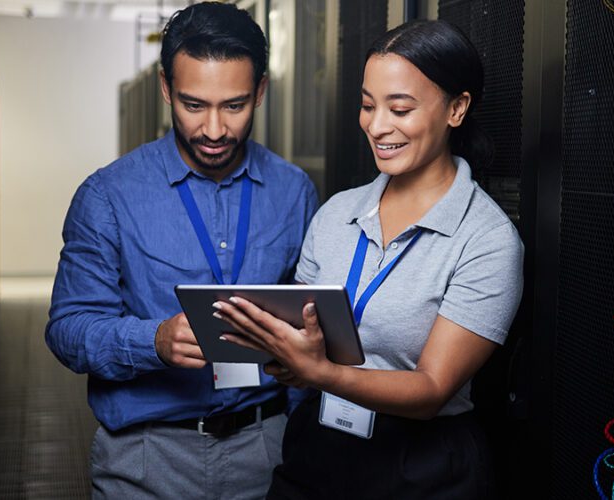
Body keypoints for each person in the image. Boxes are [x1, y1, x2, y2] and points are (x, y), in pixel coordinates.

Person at [213, 19, 524, 499]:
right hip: (319, 446)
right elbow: (302, 326)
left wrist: (322, 372)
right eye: (367, 105)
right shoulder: (338, 211)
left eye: (400, 108)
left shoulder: (486, 240)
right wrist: (271, 346)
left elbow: (431, 390)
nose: (377, 126)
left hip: (423, 466)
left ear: (457, 108)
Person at [45, 2, 318, 499]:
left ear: (260, 91)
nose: (214, 130)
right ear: (166, 89)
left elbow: (309, 321)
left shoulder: (294, 190)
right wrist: (153, 340)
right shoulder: (108, 195)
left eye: (233, 106)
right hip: (147, 458)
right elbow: (67, 329)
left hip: (266, 447)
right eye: (194, 105)